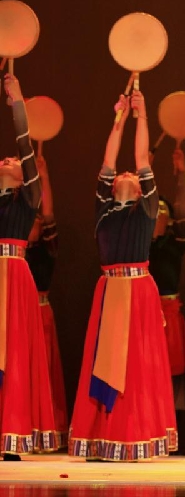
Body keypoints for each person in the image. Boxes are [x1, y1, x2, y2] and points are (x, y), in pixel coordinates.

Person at [69, 90, 177, 461]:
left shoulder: (147, 208)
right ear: (113, 185)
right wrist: (118, 119)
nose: (128, 173)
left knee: (136, 365)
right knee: (103, 361)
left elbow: (142, 158)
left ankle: (134, 433)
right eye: (122, 174)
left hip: (138, 290)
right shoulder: (104, 207)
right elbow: (109, 159)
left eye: (135, 174)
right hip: (109, 289)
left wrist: (141, 115)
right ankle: (103, 435)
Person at [0, 74, 59, 460]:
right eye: (2, 159)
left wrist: (17, 101)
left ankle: (11, 431)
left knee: (13, 355)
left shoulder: (27, 199)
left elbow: (24, 143)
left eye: (13, 161)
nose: (6, 159)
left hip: (15, 276)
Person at [148, 147, 185, 455]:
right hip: (145, 314)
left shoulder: (175, 242)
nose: (159, 213)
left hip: (170, 313)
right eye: (155, 209)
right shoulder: (138, 241)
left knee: (174, 377)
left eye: (164, 210)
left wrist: (182, 175)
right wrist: (146, 171)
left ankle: (174, 436)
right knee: (146, 374)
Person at [25, 153, 68, 450]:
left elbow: (49, 211)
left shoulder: (47, 249)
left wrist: (44, 176)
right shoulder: (13, 250)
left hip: (41, 314)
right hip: (20, 313)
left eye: (38, 222)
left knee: (43, 372)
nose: (35, 224)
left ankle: (44, 426)